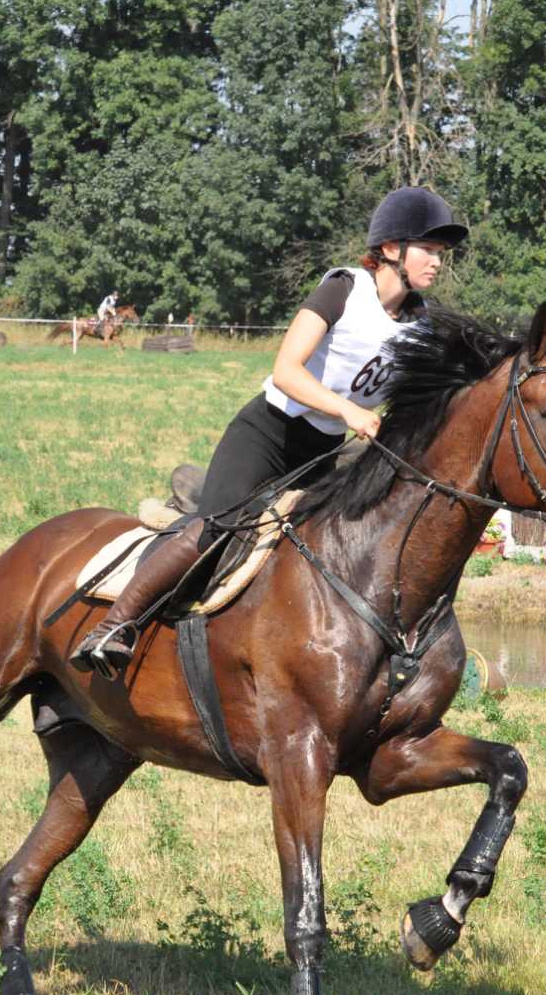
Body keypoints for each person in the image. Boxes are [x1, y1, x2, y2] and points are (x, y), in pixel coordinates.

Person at [72, 187, 468, 678]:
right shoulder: (343, 290)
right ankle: (115, 625)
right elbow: (286, 370)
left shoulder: (419, 321)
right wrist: (351, 412)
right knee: (216, 530)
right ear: (391, 249)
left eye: (440, 253)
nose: (436, 262)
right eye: (428, 249)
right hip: (269, 432)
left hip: (323, 450)